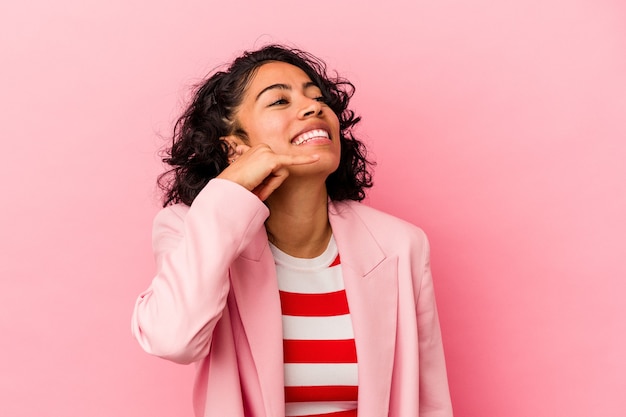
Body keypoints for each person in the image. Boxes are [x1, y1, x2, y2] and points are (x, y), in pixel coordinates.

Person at [131, 44, 453, 417]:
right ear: (235, 146)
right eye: (279, 102)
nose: (314, 107)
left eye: (318, 98)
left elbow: (429, 401)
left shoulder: (401, 245)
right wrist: (227, 195)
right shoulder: (191, 229)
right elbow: (173, 339)